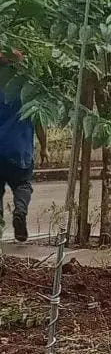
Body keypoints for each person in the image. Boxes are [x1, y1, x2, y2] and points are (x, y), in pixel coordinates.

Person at [0, 50, 36, 243]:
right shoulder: (26, 89)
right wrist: (44, 146)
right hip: (19, 149)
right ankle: (20, 212)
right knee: (23, 184)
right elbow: (39, 121)